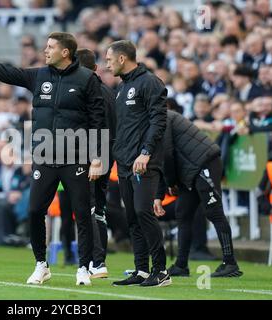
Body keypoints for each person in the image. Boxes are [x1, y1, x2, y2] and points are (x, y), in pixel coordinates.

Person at [0, 32, 106, 286]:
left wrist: (98, 158)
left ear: (65, 52)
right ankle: (41, 264)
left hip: (76, 157)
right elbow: (5, 72)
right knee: (34, 211)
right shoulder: (39, 75)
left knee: (82, 214)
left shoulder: (87, 79)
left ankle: (83, 268)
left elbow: (99, 120)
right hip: (44, 157)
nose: (46, 50)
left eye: (51, 47)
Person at [105, 40, 171, 287]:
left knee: (144, 211)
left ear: (122, 59)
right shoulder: (122, 88)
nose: (107, 64)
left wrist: (145, 152)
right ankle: (142, 269)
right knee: (132, 216)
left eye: (109, 60)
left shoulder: (150, 82)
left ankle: (161, 270)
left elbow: (158, 121)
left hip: (143, 161)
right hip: (124, 162)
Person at [154, 110, 243, 278]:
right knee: (183, 212)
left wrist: (171, 182)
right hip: (191, 170)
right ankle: (181, 265)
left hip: (204, 163)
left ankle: (230, 263)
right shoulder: (157, 118)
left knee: (214, 211)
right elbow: (162, 159)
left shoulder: (160, 117)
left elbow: (166, 154)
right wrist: (165, 189)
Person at [76, 48, 116, 279]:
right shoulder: (110, 92)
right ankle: (98, 261)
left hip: (93, 156)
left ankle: (96, 261)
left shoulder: (87, 93)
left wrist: (94, 157)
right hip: (108, 154)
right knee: (98, 209)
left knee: (88, 208)